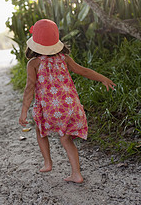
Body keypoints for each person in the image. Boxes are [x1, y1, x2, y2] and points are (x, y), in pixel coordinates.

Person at [19, 19, 116, 183]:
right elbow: (83, 70)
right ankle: (76, 173)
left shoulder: (33, 63)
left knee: (40, 131)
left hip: (49, 108)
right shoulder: (64, 58)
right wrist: (102, 78)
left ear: (34, 44)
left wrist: (23, 111)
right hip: (70, 106)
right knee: (65, 138)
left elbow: (30, 88)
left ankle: (48, 162)